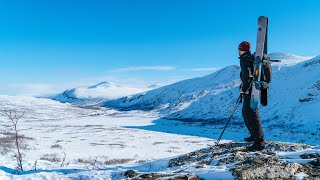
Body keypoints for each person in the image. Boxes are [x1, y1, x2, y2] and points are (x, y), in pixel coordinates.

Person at [238, 41, 265, 151]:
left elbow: (247, 77)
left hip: (250, 91)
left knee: (251, 114)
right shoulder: (250, 58)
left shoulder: (245, 59)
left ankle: (259, 142)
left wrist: (243, 90)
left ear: (240, 49)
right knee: (246, 112)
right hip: (252, 89)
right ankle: (254, 136)